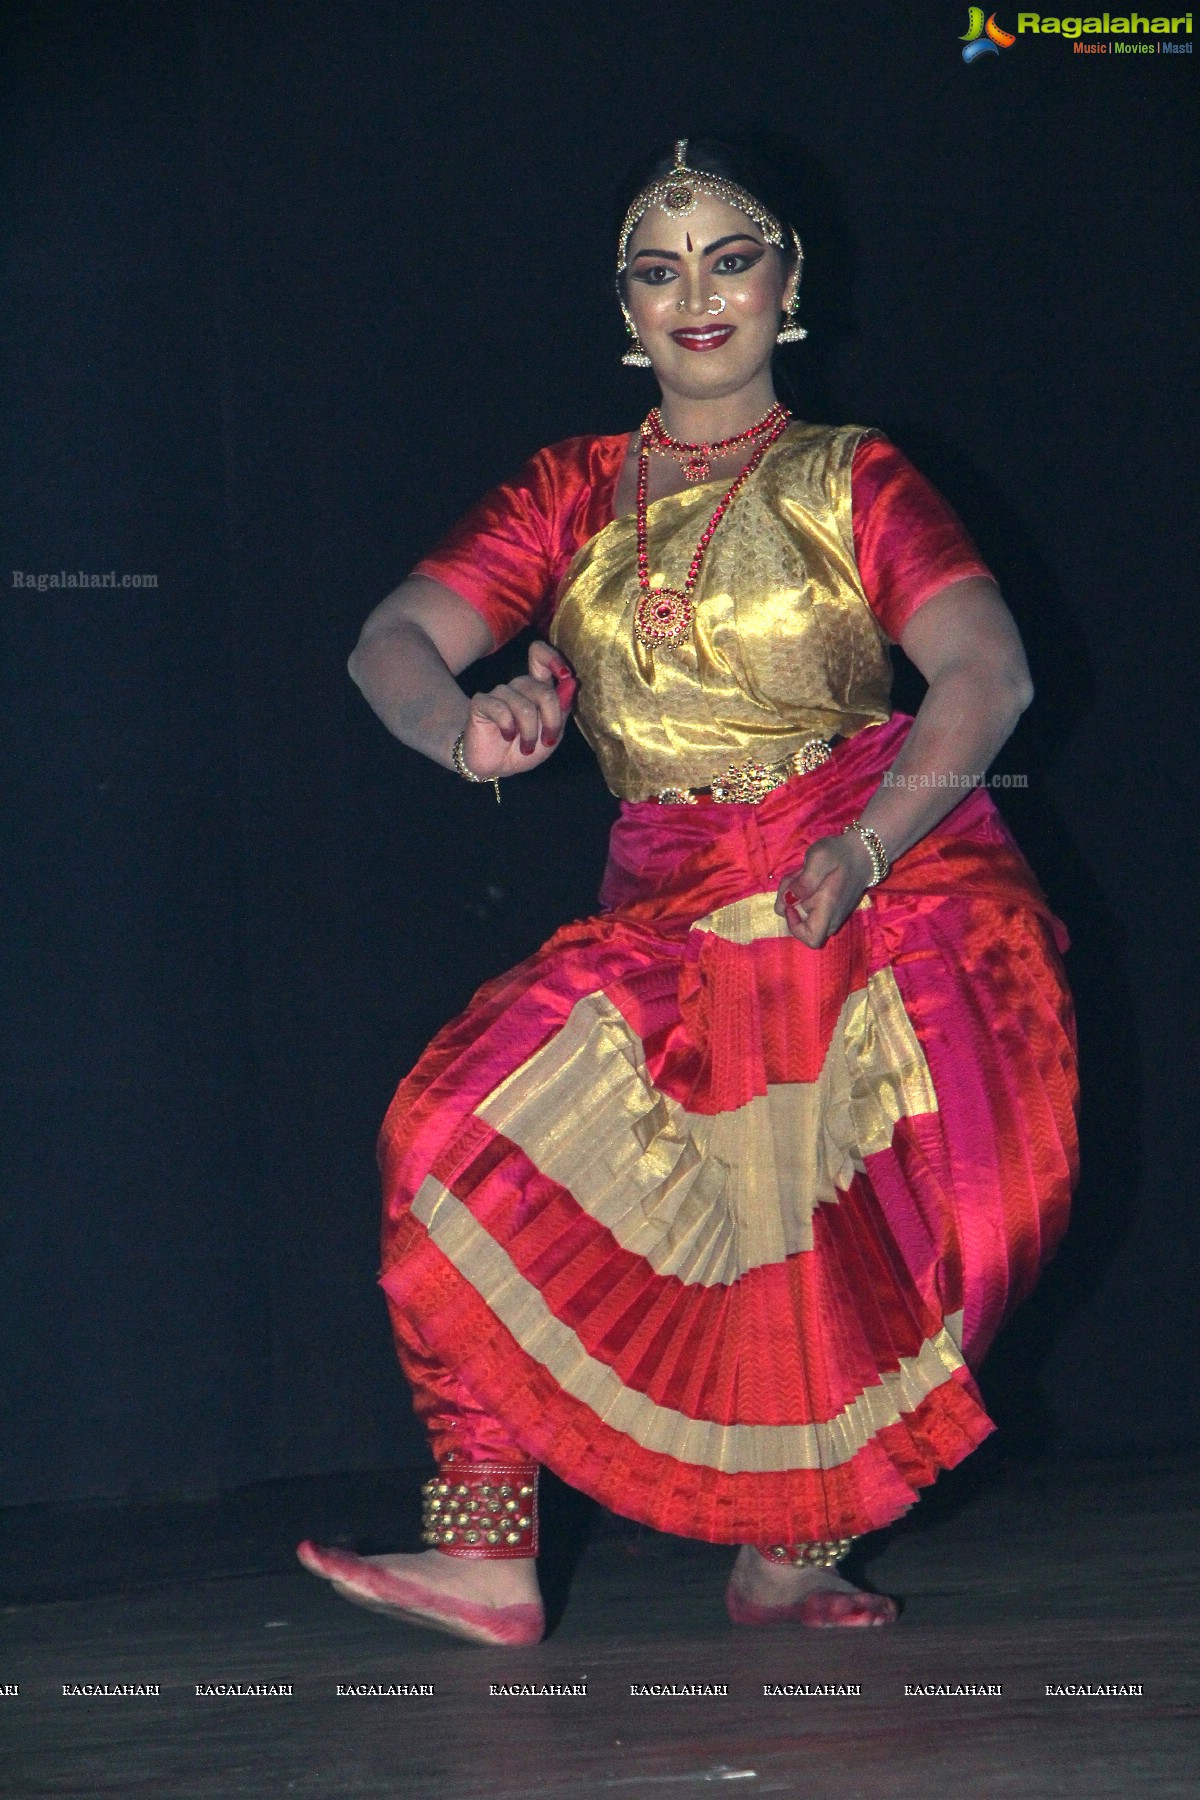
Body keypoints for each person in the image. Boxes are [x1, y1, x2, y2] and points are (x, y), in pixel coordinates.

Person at [298, 137, 1079, 1646]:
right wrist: (465, 728)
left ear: (790, 288)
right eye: (660, 270)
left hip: (880, 875)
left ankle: (797, 1550)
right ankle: (486, 1551)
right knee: (441, 1143)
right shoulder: (568, 490)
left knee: (962, 1228)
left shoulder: (856, 474)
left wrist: (867, 847)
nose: (697, 294)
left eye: (732, 259)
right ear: (625, 307)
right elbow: (387, 640)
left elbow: (988, 672)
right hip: (663, 908)